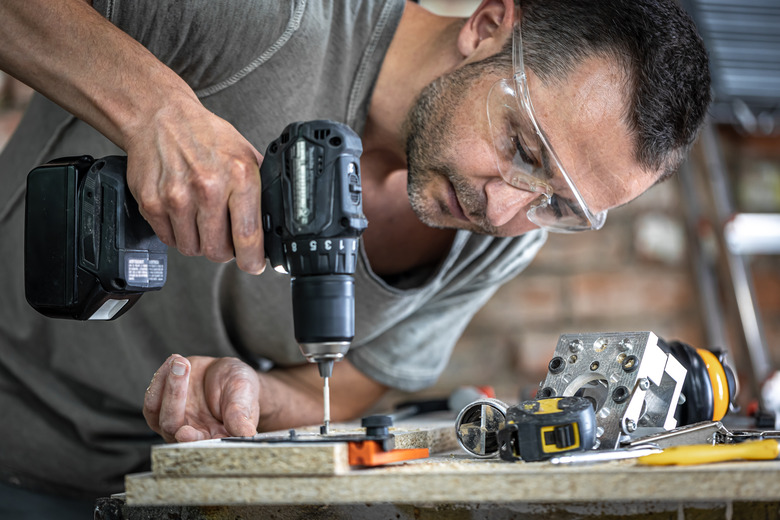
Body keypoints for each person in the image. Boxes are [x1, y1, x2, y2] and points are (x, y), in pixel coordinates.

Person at [0, 0, 710, 515]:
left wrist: (243, 395)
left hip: (142, 490)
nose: (505, 213)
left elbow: (333, 393)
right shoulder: (274, 22)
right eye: (523, 151)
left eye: (559, 207)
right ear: (487, 27)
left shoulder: (507, 233)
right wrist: (155, 110)